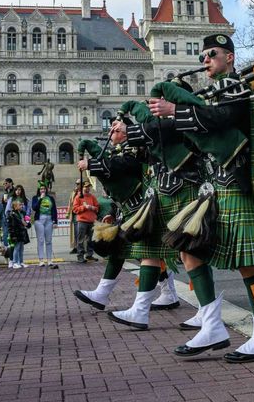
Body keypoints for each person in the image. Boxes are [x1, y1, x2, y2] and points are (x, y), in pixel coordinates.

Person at [147, 33, 254, 363]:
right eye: (203, 56)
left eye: (211, 54)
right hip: (214, 187)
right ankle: (212, 326)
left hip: (235, 185)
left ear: (229, 57)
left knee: (249, 263)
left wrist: (177, 109)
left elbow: (222, 119)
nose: (205, 60)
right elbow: (197, 135)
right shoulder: (212, 93)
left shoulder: (235, 86)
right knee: (188, 247)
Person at [107, 87, 204, 329]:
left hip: (185, 187)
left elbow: (158, 129)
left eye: (162, 100)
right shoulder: (157, 124)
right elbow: (149, 150)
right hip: (161, 190)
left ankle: (207, 311)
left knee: (190, 253)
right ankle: (140, 311)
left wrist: (131, 119)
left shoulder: (183, 118)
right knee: (149, 249)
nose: (157, 104)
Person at [74, 118, 151, 311]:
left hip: (141, 207)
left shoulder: (133, 147)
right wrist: (112, 213)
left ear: (125, 132)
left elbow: (123, 166)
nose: (110, 133)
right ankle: (102, 293)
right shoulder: (118, 150)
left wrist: (92, 164)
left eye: (115, 130)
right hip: (128, 209)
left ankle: (166, 294)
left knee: (149, 253)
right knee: (120, 250)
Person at [31, 184, 58, 268]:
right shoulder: (35, 198)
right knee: (41, 240)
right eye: (41, 189)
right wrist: (40, 199)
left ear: (46, 189)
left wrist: (55, 221)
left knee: (49, 241)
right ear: (38, 190)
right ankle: (41, 260)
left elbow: (54, 209)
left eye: (44, 188)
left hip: (49, 219)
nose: (42, 190)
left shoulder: (50, 198)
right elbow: (34, 208)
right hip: (39, 219)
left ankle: (49, 260)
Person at [72, 182, 99, 263]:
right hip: (82, 221)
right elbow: (75, 209)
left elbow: (97, 208)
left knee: (91, 240)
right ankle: (80, 256)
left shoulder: (92, 197)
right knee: (80, 240)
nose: (87, 188)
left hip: (91, 221)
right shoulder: (78, 197)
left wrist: (92, 208)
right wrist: (84, 207)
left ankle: (89, 255)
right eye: (86, 187)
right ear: (82, 188)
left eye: (88, 187)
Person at [6, 199, 30, 269]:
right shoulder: (12, 214)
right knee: (16, 248)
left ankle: (21, 262)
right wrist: (13, 235)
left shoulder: (23, 213)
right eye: (20, 205)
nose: (22, 206)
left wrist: (27, 224)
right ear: (15, 206)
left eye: (22, 204)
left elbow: (27, 223)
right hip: (16, 234)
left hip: (22, 233)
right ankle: (14, 262)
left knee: (21, 248)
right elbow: (11, 226)